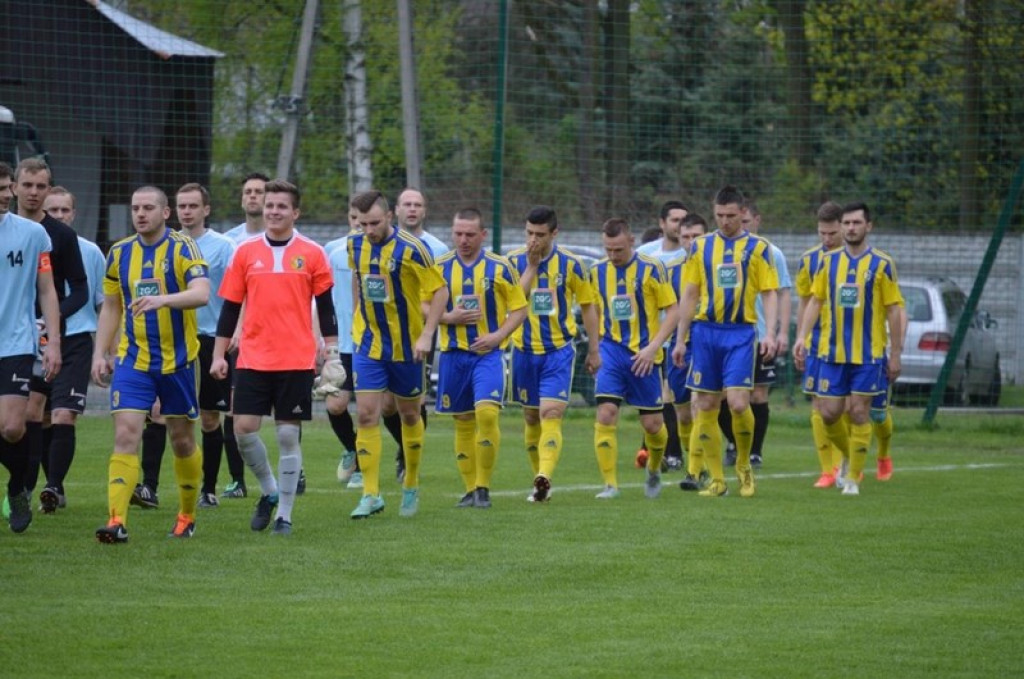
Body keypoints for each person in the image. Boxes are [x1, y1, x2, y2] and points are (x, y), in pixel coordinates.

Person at [211, 179, 336, 535]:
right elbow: (230, 308)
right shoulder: (245, 252)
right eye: (269, 206)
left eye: (282, 206)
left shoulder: (312, 253)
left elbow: (326, 307)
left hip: (295, 359)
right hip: (252, 357)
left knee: (286, 436)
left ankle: (284, 513)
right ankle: (267, 492)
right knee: (244, 430)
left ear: (295, 212)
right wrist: (219, 354)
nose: (274, 211)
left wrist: (333, 351)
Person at [91, 186, 210, 543]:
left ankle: (187, 515)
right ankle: (116, 521)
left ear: (165, 213)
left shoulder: (182, 247)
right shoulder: (119, 252)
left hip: (178, 362)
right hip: (133, 359)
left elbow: (202, 293)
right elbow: (111, 306)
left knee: (182, 440)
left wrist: (163, 301)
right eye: (135, 208)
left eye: (148, 208)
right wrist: (101, 352)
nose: (140, 214)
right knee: (126, 434)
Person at [672, 185, 779, 499]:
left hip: (740, 333)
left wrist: (770, 332)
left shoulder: (759, 248)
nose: (725, 221)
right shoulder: (701, 247)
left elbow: (769, 292)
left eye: (731, 216)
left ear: (742, 213)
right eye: (719, 215)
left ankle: (743, 464)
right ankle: (716, 480)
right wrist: (681, 340)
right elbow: (690, 294)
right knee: (704, 404)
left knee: (737, 403)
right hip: (705, 332)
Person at [346, 189, 447, 519]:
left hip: (406, 347)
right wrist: (356, 320)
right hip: (369, 343)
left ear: (389, 216)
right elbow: (359, 282)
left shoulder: (413, 249)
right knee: (365, 415)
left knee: (408, 415)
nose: (369, 230)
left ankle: (411, 482)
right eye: (363, 224)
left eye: (375, 223)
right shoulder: (355, 244)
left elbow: (440, 290)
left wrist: (428, 335)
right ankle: (371, 494)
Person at [793, 201, 903, 496]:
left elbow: (894, 310)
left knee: (859, 412)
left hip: (869, 354)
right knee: (828, 413)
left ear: (869, 226)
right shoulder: (827, 263)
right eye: (847, 223)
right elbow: (815, 301)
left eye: (857, 223)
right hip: (832, 352)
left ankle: (852, 476)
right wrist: (801, 337)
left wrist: (895, 353)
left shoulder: (882, 264)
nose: (851, 228)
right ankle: (853, 458)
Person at [8, 160, 88, 520]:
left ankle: (47, 485)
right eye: (28, 185)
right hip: (18, 332)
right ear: (15, 187)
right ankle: (24, 484)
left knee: (43, 413)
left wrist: (50, 326)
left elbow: (78, 289)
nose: (34, 192)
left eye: (42, 186)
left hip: (39, 338)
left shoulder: (59, 236)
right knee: (26, 418)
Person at [435, 208, 527, 509]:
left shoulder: (500, 267)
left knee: (487, 414)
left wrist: (498, 336)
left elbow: (519, 308)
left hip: (487, 355)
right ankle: (469, 488)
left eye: (470, 234)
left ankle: (484, 486)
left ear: (483, 235)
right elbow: (423, 305)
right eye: (458, 233)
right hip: (452, 354)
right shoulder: (440, 268)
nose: (463, 240)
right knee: (462, 420)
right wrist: (448, 316)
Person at [507, 206, 599, 502]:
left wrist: (594, 350)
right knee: (532, 418)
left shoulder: (572, 265)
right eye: (529, 233)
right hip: (523, 351)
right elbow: (512, 302)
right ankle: (539, 485)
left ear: (554, 234)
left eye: (540, 234)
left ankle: (545, 474)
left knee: (551, 413)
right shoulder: (512, 262)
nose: (533, 239)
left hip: (558, 351)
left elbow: (588, 306)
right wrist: (531, 267)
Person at [591, 218, 678, 499]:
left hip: (644, 354)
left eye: (618, 249)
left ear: (631, 241)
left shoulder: (652, 269)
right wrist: (594, 349)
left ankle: (653, 469)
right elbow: (591, 310)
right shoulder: (596, 272)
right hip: (611, 351)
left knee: (652, 425)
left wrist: (653, 348)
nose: (613, 256)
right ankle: (610, 485)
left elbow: (673, 312)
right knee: (606, 413)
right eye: (608, 250)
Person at [34, 187, 105, 513]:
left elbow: (105, 304)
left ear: (73, 214)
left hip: (76, 340)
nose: (60, 216)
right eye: (54, 210)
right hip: (33, 340)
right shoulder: (31, 243)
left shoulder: (90, 252)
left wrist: (106, 351)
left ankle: (53, 485)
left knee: (64, 414)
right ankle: (52, 486)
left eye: (65, 210)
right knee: (39, 417)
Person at [0, 162, 62, 533]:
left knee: (11, 427)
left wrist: (52, 341)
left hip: (16, 342)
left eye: (6, 188)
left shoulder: (33, 234)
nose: (5, 195)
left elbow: (47, 289)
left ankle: (16, 487)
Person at [718, 200, 792, 469]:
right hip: (728, 335)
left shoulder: (771, 253)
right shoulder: (719, 249)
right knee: (725, 397)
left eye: (746, 221)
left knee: (758, 395)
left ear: (756, 221)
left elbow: (783, 292)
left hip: (760, 335)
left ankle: (754, 452)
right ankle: (734, 442)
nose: (739, 225)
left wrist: (780, 332)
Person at [216, 171, 272, 499]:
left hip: (279, 337)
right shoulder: (230, 243)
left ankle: (298, 471)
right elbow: (230, 296)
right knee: (233, 409)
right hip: (241, 337)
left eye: (259, 191)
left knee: (286, 410)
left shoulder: (291, 240)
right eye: (248, 191)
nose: (253, 196)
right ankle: (238, 480)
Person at [389, 188, 449, 481]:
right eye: (407, 204)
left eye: (418, 205)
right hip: (385, 331)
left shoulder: (436, 249)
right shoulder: (383, 242)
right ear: (396, 210)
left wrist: (434, 326)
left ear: (424, 211)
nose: (412, 209)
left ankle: (407, 458)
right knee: (386, 404)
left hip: (420, 332)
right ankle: (404, 446)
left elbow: (441, 292)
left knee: (416, 398)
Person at [634, 200, 690, 471]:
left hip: (683, 337)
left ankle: (676, 452)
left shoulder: (692, 254)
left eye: (683, 220)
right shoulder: (645, 254)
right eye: (674, 219)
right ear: (662, 223)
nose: (679, 225)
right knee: (660, 397)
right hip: (652, 340)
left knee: (679, 398)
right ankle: (664, 452)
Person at [795, 201, 846, 487]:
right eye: (822, 234)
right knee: (817, 403)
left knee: (846, 407)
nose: (827, 240)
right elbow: (805, 302)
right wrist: (800, 338)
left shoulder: (857, 260)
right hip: (817, 343)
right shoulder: (809, 260)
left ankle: (848, 462)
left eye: (832, 234)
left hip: (849, 344)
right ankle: (829, 470)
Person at [323, 202, 363, 490]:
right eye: (354, 218)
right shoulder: (333, 252)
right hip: (343, 343)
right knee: (336, 405)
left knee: (379, 409)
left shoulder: (389, 252)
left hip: (374, 343)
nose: (360, 225)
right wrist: (323, 340)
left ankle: (398, 457)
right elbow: (321, 300)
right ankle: (353, 451)